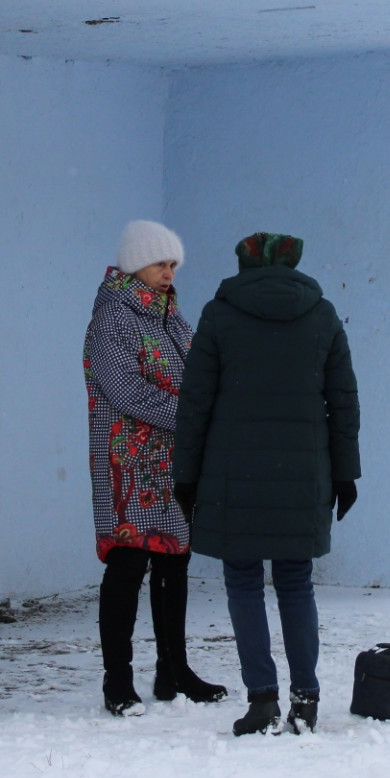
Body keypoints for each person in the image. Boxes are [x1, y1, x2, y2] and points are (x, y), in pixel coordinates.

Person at [173, 232, 360, 736]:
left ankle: (262, 700)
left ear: (244, 263)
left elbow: (195, 403)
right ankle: (307, 698)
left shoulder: (219, 313)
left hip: (235, 477)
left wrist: (185, 476)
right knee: (296, 583)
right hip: (302, 477)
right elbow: (343, 400)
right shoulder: (321, 315)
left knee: (243, 583)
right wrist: (345, 472)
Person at [84, 220, 230, 716]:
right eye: (160, 264)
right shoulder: (111, 318)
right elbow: (123, 389)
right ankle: (117, 682)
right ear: (133, 264)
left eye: (173, 265)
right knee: (127, 567)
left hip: (173, 463)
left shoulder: (171, 317)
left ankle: (173, 670)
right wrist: (191, 420)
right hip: (128, 467)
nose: (168, 273)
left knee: (174, 562)